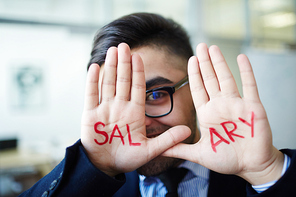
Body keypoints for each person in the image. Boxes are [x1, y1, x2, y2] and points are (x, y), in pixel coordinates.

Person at [20, 13, 296, 197]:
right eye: (121, 102)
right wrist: (96, 165)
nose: (139, 122)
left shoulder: (253, 178)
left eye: (155, 95)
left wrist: (267, 171)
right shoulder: (93, 184)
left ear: (196, 85)